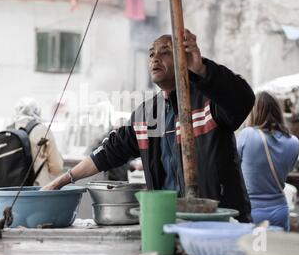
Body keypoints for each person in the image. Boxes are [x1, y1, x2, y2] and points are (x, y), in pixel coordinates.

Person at [44, 30, 255, 222]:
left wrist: (202, 69)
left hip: (218, 222)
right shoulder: (147, 115)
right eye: (152, 53)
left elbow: (243, 99)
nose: (155, 58)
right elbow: (108, 152)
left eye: (165, 52)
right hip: (169, 223)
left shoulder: (209, 101)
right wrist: (62, 180)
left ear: (184, 59)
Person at [237, 91, 299, 230]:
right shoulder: (294, 142)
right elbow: (288, 169)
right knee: (276, 251)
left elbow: (234, 165)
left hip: (253, 213)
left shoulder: (247, 135)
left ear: (254, 112)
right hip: (281, 211)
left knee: (255, 251)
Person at [12, 97, 64, 187]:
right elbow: (57, 168)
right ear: (37, 111)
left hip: (10, 191)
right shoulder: (42, 130)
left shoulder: (9, 130)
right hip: (37, 190)